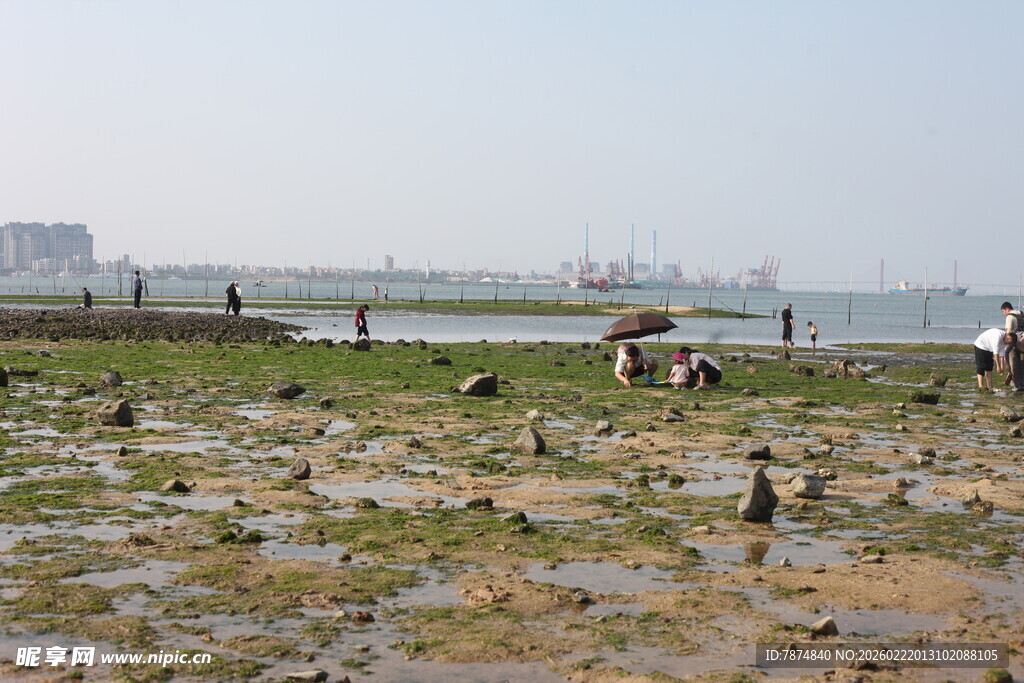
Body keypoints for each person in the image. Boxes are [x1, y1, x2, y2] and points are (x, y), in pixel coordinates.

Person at [1001, 302, 1023, 391]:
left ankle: (1016, 385)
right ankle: (1022, 383)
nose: (1003, 313)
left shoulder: (1010, 316)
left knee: (1013, 363)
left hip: (1014, 342)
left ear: (1007, 309)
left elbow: (1009, 331)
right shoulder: (1021, 313)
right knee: (1022, 363)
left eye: (1003, 311)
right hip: (1023, 341)